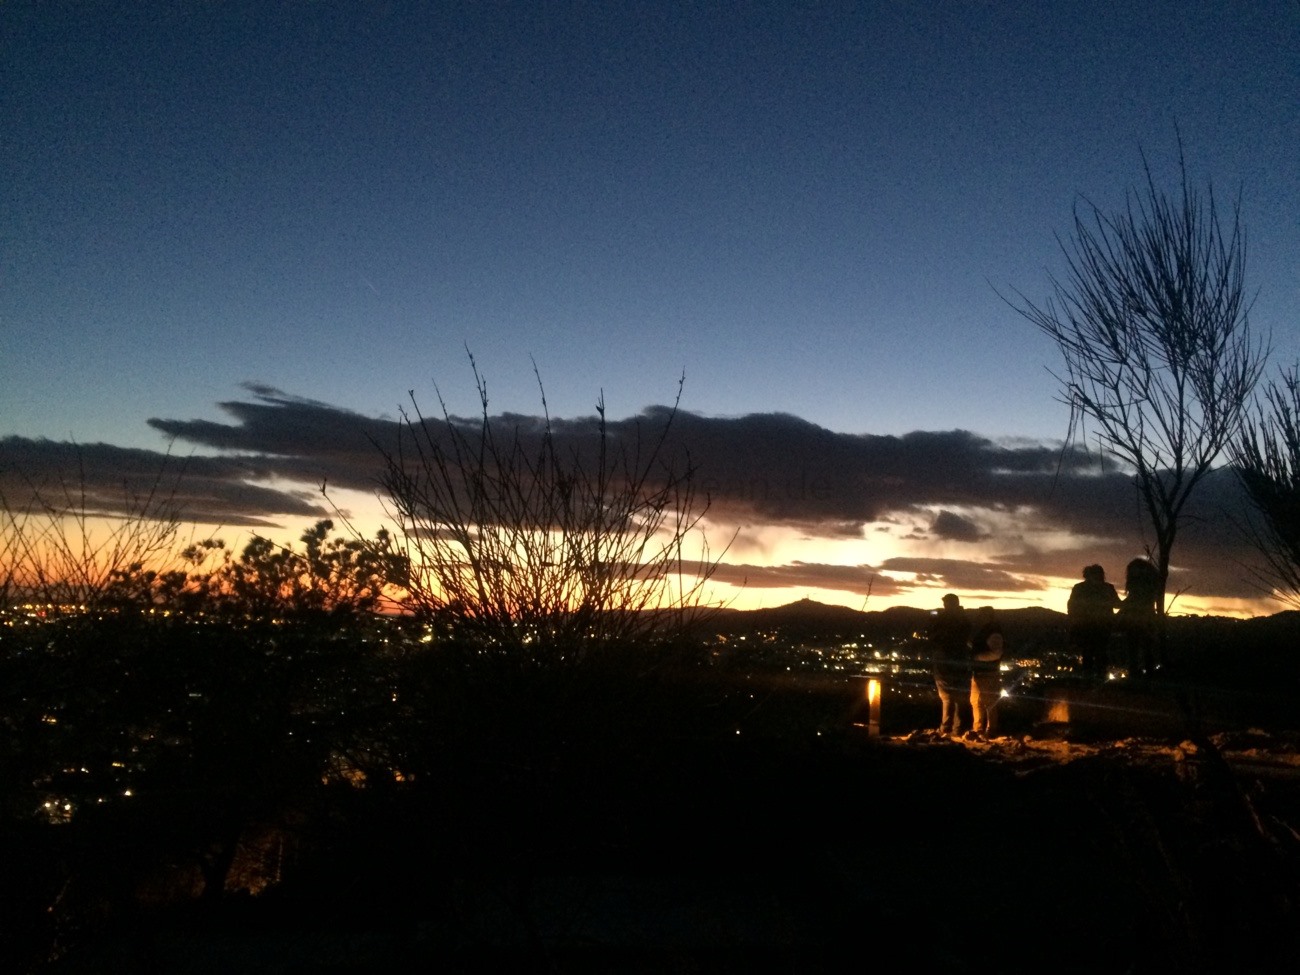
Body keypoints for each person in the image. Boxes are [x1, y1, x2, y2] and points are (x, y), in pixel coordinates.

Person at [927, 593, 972, 737]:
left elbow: (934, 636)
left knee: (947, 695)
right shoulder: (964, 619)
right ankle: (958, 728)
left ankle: (946, 728)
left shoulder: (944, 619)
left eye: (946, 604)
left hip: (945, 660)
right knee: (958, 695)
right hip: (960, 660)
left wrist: (934, 619)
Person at [1067, 564, 1121, 681]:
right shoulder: (1107, 588)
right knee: (1098, 653)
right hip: (1099, 626)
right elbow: (1117, 604)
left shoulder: (1080, 588)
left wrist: (1074, 621)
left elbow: (1071, 607)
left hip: (1090, 626)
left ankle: (1090, 679)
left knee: (1089, 653)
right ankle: (1098, 679)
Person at [1118, 557, 1161, 677]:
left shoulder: (1140, 584)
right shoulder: (1151, 582)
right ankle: (1146, 671)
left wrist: (1122, 606)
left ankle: (1137, 671)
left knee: (1135, 646)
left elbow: (1134, 598)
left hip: (1137, 617)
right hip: (1144, 617)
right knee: (1143, 645)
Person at [968, 606, 1004, 740]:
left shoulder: (993, 633)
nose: (978, 617)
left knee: (989, 703)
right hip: (980, 673)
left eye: (981, 615)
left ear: (987, 616)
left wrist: (976, 657)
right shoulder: (987, 631)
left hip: (988, 673)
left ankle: (991, 730)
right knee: (976, 702)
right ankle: (978, 729)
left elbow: (996, 654)